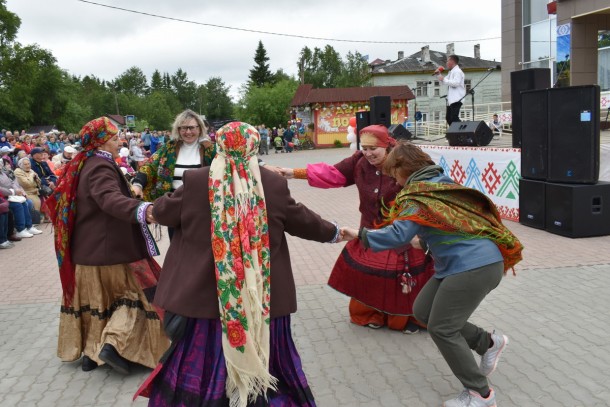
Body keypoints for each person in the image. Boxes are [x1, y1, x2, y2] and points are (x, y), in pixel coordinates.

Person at [135, 122, 343, 406]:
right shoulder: (272, 183)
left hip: (206, 299)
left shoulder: (196, 181)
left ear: (219, 146)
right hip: (262, 301)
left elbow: (162, 212)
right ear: (253, 147)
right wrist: (336, 233)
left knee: (205, 364)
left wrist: (144, 208)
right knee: (268, 361)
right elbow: (304, 221)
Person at [344, 141, 523, 407]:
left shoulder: (417, 194)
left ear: (405, 169)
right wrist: (426, 242)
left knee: (442, 328)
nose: (397, 183)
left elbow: (398, 234)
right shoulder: (440, 182)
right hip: (464, 263)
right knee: (424, 311)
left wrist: (361, 235)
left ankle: (481, 394)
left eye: (395, 175)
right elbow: (452, 225)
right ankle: (488, 342)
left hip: (474, 266)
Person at [43, 117, 169, 374]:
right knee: (133, 298)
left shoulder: (83, 163)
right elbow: (108, 199)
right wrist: (143, 210)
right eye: (113, 138)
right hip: (111, 251)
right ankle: (113, 344)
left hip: (88, 252)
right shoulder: (100, 166)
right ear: (100, 141)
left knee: (98, 303)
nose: (118, 141)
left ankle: (92, 354)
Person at [281, 125, 435, 334]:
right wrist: (293, 173)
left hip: (402, 233)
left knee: (404, 279)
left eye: (374, 148)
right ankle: (371, 315)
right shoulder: (359, 162)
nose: (368, 153)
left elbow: (427, 185)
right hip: (369, 229)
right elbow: (332, 173)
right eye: (365, 148)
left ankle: (407, 319)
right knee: (369, 276)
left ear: (386, 145)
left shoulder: (403, 160)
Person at [132, 110, 216, 203]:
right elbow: (149, 166)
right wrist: (138, 184)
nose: (188, 132)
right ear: (178, 130)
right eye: (183, 128)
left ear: (199, 128)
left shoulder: (210, 150)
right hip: (171, 205)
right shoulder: (169, 148)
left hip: (198, 206)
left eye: (192, 128)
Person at [437, 55, 466, 125]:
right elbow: (443, 82)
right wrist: (438, 74)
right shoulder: (451, 72)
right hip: (451, 100)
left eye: (447, 61)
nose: (446, 63)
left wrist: (443, 79)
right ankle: (454, 133)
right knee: (449, 118)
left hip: (457, 99)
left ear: (452, 61)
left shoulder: (458, 71)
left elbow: (456, 83)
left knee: (454, 118)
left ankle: (462, 132)